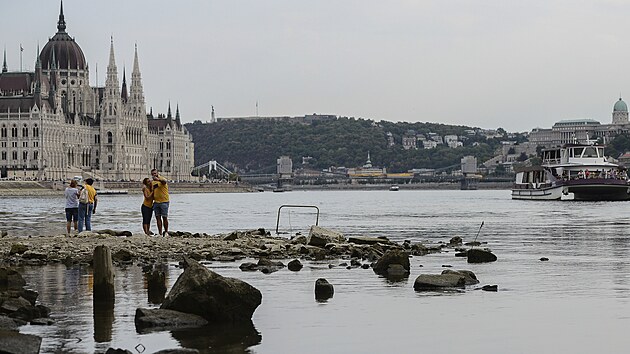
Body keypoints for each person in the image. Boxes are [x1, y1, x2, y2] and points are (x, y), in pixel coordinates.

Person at [151, 169, 170, 237]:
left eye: (155, 173)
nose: (154, 175)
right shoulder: (152, 182)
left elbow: (164, 182)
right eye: (153, 174)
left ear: (157, 173)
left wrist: (158, 179)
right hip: (156, 202)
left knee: (164, 217)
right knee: (158, 218)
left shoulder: (161, 179)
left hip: (164, 201)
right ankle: (160, 233)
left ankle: (166, 232)